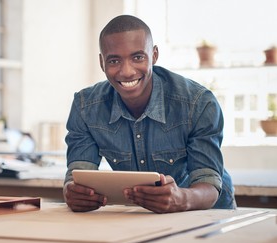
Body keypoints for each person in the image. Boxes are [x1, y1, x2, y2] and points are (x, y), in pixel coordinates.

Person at [63, 15, 236, 213]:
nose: (127, 71)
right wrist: (74, 193)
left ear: (154, 55)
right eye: (114, 60)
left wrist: (181, 198)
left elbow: (209, 184)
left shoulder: (198, 103)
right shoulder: (85, 107)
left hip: (207, 213)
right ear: (102, 62)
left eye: (137, 57)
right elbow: (77, 177)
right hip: (143, 215)